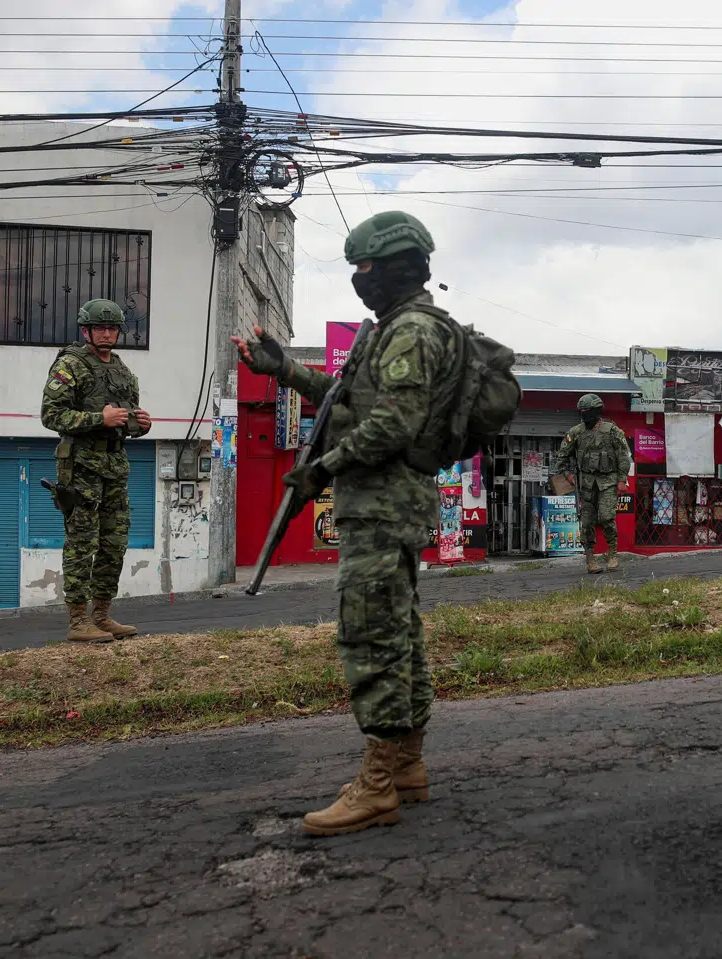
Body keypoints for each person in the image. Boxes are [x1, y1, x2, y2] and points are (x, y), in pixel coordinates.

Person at [233, 210, 455, 837]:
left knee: (372, 634)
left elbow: (393, 425)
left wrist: (318, 471)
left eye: (365, 267)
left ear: (397, 265)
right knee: (399, 631)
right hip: (385, 504)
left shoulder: (410, 330)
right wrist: (285, 371)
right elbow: (350, 401)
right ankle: (407, 764)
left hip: (384, 505)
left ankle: (378, 782)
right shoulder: (392, 330)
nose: (359, 279)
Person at [40, 299, 152, 643]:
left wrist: (139, 424)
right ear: (85, 330)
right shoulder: (70, 366)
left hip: (115, 466)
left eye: (112, 328)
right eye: (100, 328)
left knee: (114, 543)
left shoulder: (121, 370)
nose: (107, 334)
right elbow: (51, 415)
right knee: (81, 544)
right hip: (82, 466)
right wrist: (97, 419)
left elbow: (125, 419)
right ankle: (78, 622)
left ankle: (101, 616)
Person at [553, 393, 632, 574]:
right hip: (586, 484)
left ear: (596, 410)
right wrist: (568, 475)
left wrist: (622, 480)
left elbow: (623, 456)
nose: (584, 414)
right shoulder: (576, 432)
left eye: (587, 411)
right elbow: (562, 457)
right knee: (586, 522)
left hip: (608, 482)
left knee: (606, 517)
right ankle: (590, 559)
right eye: (582, 411)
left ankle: (612, 554)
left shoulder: (612, 431)